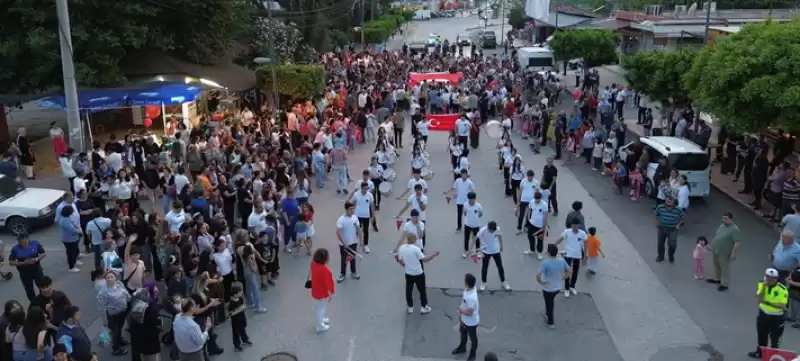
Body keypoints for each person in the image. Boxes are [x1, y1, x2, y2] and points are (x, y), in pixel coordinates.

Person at [747, 268, 789, 359]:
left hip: (776, 317)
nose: (769, 280)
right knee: (761, 335)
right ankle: (760, 353)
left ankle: (774, 357)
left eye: (772, 278)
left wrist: (767, 302)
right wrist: (764, 289)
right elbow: (759, 298)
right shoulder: (761, 284)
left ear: (776, 279)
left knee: (775, 340)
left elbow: (782, 305)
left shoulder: (783, 289)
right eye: (768, 277)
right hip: (763, 314)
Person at [397, 234, 440, 314]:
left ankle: (410, 306)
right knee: (422, 290)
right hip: (418, 273)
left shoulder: (401, 248)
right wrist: (434, 254)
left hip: (408, 272)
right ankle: (424, 306)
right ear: (414, 240)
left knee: (409, 289)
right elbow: (425, 259)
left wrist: (406, 266)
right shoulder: (416, 249)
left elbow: (400, 261)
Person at [537, 244, 572, 328]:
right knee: (550, 301)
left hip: (547, 288)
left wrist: (541, 282)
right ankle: (547, 313)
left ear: (548, 253)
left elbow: (538, 275)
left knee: (550, 304)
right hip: (557, 287)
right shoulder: (562, 261)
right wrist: (564, 277)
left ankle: (551, 323)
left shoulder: (545, 263)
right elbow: (570, 271)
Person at [471, 221, 509, 291]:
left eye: (493, 230)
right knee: (484, 267)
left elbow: (499, 236)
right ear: (488, 228)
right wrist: (472, 249)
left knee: (500, 266)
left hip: (496, 250)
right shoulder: (483, 230)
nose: (492, 232)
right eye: (491, 230)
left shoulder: (497, 229)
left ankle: (503, 281)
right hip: (486, 252)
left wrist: (501, 245)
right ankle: (483, 282)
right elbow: (475, 238)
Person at [707, 212, 741, 291]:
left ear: (731, 219)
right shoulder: (722, 226)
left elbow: (737, 242)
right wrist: (711, 245)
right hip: (716, 249)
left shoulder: (735, 229)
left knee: (724, 267)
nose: (724, 220)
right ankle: (717, 279)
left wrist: (733, 253)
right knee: (716, 264)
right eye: (723, 218)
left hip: (724, 251)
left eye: (726, 218)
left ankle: (725, 284)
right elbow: (717, 236)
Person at [553, 219, 587, 298]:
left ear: (579, 225)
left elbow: (585, 244)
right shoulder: (567, 232)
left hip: (577, 255)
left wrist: (585, 256)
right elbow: (560, 239)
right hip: (568, 254)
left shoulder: (582, 234)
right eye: (573, 226)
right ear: (571, 225)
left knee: (575, 271)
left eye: (576, 226)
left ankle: (572, 286)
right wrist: (553, 245)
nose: (574, 227)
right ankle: (567, 288)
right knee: (567, 271)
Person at [8, 234, 46, 302]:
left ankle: (44, 299)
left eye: (22, 241)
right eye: (19, 241)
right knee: (29, 289)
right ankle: (34, 303)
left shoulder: (35, 243)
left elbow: (43, 253)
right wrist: (23, 263)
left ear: (27, 239)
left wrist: (37, 259)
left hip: (37, 269)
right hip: (24, 272)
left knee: (42, 285)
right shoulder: (15, 249)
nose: (21, 243)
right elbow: (11, 262)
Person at [452, 273, 479, 361]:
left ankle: (473, 354)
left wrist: (460, 310)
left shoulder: (472, 298)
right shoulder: (469, 289)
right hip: (464, 319)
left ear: (467, 283)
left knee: (473, 338)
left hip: (471, 322)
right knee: (463, 333)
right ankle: (462, 347)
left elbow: (470, 313)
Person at [336, 202, 363, 282]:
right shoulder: (341, 220)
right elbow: (338, 233)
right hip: (344, 245)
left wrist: (361, 241)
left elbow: (359, 229)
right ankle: (342, 274)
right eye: (351, 209)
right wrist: (344, 244)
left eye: (353, 208)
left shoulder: (355, 217)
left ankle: (353, 272)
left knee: (352, 258)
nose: (352, 210)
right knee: (344, 259)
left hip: (353, 242)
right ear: (346, 209)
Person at [310, 248, 335, 333]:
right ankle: (319, 325)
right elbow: (328, 284)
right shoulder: (325, 270)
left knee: (319, 307)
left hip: (316, 290)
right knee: (321, 308)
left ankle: (321, 319)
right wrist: (330, 293)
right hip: (322, 293)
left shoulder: (313, 264)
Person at [654, 198, 684, 263]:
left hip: (673, 229)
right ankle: (660, 256)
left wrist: (679, 225)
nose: (669, 203)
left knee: (672, 244)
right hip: (662, 228)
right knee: (660, 243)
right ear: (665, 201)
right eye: (667, 201)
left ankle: (671, 256)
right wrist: (656, 222)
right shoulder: (660, 207)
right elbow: (656, 215)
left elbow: (682, 218)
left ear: (674, 202)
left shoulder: (678, 210)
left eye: (671, 202)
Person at [227, 282, 252, 351]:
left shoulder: (240, 299)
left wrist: (243, 308)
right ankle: (236, 345)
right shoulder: (231, 304)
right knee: (236, 333)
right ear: (235, 294)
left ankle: (245, 340)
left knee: (243, 330)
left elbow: (242, 305)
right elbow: (230, 313)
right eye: (240, 293)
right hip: (235, 320)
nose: (241, 294)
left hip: (241, 317)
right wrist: (239, 309)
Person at [523, 192, 548, 259]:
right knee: (530, 236)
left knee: (540, 239)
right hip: (532, 224)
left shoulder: (544, 205)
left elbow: (545, 216)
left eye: (538, 199)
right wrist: (528, 218)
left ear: (540, 198)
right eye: (536, 199)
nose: (537, 200)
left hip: (540, 226)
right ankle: (532, 249)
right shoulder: (532, 202)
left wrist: (544, 227)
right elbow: (529, 209)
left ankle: (539, 252)